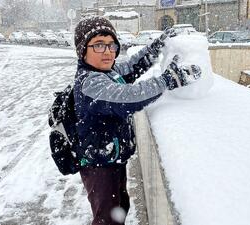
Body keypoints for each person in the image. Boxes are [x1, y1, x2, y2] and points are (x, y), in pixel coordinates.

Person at [73, 16, 201, 225]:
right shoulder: (90, 83)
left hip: (111, 157)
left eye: (111, 44)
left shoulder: (108, 71)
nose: (107, 51)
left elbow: (134, 66)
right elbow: (130, 97)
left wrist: (156, 46)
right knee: (107, 218)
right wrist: (168, 80)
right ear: (82, 50)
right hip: (98, 166)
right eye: (98, 45)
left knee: (120, 207)